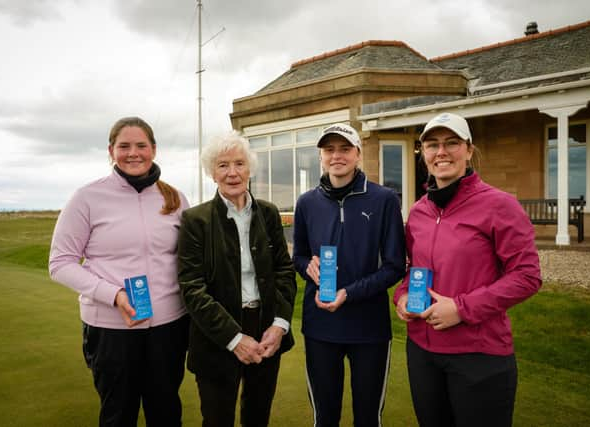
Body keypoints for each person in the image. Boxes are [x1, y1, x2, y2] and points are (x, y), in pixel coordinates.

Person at [393, 112, 542, 427]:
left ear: (469, 150)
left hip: (479, 354)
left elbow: (527, 276)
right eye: (432, 145)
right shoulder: (419, 211)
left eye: (452, 143)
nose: (441, 152)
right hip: (422, 351)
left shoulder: (500, 206)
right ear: (423, 154)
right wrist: (403, 296)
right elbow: (412, 269)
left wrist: (461, 309)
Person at [49, 116, 190, 426]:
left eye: (141, 145)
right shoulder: (86, 198)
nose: (133, 153)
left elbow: (190, 260)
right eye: (124, 146)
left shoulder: (176, 198)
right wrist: (113, 295)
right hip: (110, 330)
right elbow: (60, 263)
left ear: (154, 149)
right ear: (111, 151)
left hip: (168, 328)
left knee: (166, 414)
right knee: (117, 416)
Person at [177, 131, 296, 427]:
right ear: (211, 173)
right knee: (217, 420)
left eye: (239, 163)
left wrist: (279, 326)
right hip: (216, 335)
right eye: (222, 165)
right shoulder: (196, 220)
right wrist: (233, 338)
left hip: (266, 329)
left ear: (249, 168)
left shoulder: (268, 213)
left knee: (258, 417)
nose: (232, 173)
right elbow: (192, 288)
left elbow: (284, 271)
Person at [293, 123, 407, 427]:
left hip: (369, 328)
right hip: (320, 326)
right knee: (324, 417)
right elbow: (299, 256)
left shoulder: (384, 200)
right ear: (321, 156)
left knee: (368, 418)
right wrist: (308, 267)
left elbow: (395, 265)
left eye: (344, 149)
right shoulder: (306, 202)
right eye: (329, 149)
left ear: (358, 154)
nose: (336, 156)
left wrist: (350, 293)